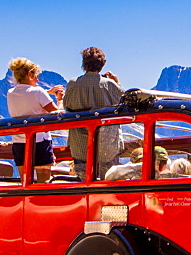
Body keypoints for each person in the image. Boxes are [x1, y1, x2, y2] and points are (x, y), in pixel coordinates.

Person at [62, 47, 124, 179]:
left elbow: (66, 106)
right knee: (108, 180)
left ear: (84, 64)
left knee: (84, 182)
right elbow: (124, 103)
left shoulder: (73, 84)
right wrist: (117, 83)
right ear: (102, 64)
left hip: (80, 142)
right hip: (107, 142)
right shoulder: (109, 84)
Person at [7, 57, 64, 182]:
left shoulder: (10, 93)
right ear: (29, 74)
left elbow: (28, 99)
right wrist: (59, 100)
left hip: (19, 142)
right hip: (40, 142)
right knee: (44, 182)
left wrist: (46, 92)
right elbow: (57, 114)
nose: (38, 79)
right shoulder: (38, 92)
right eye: (36, 76)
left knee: (25, 182)